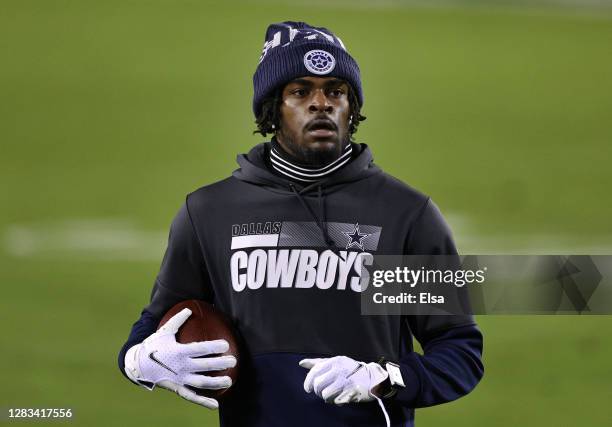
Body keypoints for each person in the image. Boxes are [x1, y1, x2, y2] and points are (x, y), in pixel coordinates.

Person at [118, 21, 484, 427]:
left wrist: (388, 378)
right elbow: (156, 326)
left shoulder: (401, 214)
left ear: (352, 107)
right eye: (300, 91)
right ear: (272, 109)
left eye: (336, 91)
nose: (321, 103)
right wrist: (138, 360)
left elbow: (458, 350)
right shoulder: (210, 212)